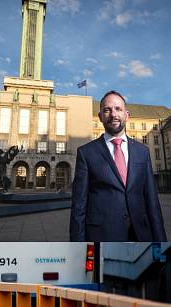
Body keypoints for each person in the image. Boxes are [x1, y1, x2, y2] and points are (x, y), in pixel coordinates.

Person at [70, 90, 166, 241]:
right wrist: (77, 250)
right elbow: (78, 207)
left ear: (126, 115)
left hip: (141, 236)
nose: (113, 114)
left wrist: (160, 249)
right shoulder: (86, 153)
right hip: (102, 236)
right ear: (100, 117)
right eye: (107, 110)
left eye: (118, 109)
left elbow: (152, 202)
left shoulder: (142, 152)